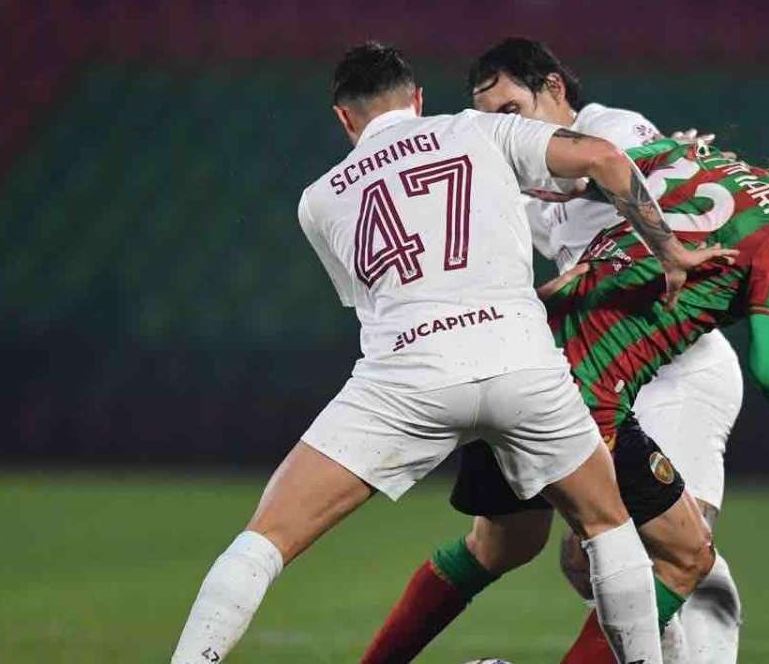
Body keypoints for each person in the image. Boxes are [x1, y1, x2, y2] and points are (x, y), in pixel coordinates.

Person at [167, 41, 734, 664]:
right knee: (609, 530)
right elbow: (601, 159)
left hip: (410, 375)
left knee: (264, 541)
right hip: (523, 363)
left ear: (344, 119)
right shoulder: (479, 132)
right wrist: (673, 253)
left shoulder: (318, 199)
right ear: (417, 100)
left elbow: (373, 299)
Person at [361, 111, 769, 664]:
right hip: (580, 396)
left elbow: (578, 185)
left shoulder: (687, 157)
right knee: (685, 557)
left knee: (502, 543)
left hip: (515, 352)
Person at [472, 38, 747, 663]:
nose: (502, 130)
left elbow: (619, 168)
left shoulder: (608, 126)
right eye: (490, 120)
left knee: (677, 546)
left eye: (511, 111)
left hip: (683, 372)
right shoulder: (514, 187)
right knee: (584, 560)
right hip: (607, 381)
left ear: (554, 90)